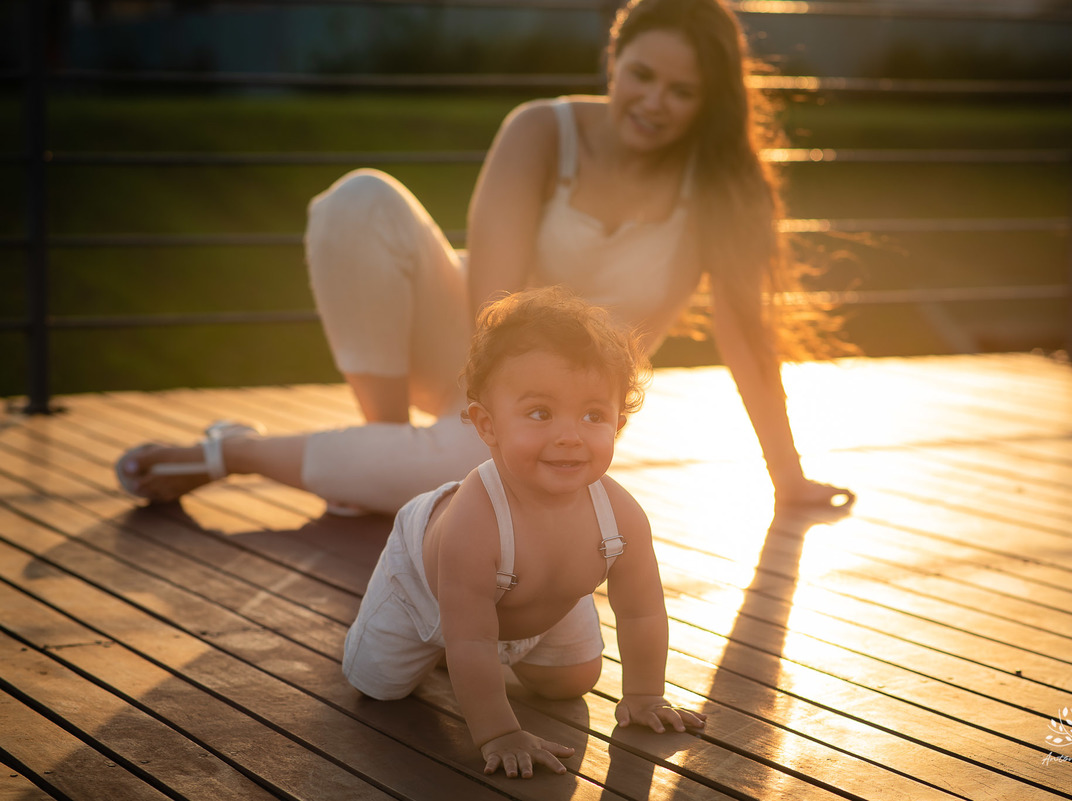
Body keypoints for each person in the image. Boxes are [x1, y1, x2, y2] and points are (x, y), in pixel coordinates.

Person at [114, 0, 854, 515]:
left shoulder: (723, 187)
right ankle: (387, 447)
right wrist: (489, 398)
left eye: (682, 91)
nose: (654, 101)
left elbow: (745, 335)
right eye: (642, 75)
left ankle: (233, 454)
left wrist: (787, 479)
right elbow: (494, 303)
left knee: (475, 467)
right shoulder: (541, 132)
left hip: (569, 410)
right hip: (479, 347)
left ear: (710, 101)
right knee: (359, 200)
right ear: (613, 60)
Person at [343, 287, 706, 778]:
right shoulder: (475, 523)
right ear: (487, 425)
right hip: (426, 592)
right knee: (380, 687)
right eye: (540, 413)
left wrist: (644, 694)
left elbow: (641, 610)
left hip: (534, 596)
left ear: (618, 425)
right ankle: (434, 655)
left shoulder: (621, 517)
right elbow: (470, 638)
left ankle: (496, 653)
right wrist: (498, 732)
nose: (569, 435)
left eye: (593, 415)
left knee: (572, 681)